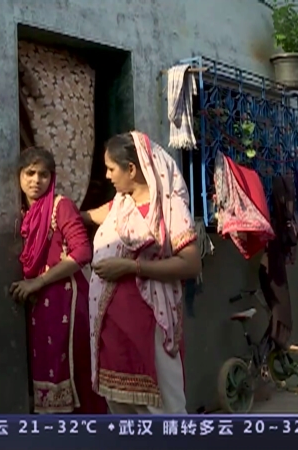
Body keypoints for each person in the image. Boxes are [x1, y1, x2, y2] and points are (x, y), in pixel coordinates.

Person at [82, 131, 201, 414]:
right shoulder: (120, 205)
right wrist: (57, 214)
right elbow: (90, 215)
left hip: (151, 324)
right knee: (121, 407)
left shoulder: (170, 207)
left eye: (111, 169)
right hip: (113, 326)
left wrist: (131, 267)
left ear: (132, 169)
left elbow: (191, 264)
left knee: (165, 409)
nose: (107, 176)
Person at [10, 146, 107, 414]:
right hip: (38, 303)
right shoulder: (21, 212)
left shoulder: (60, 206)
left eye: (43, 175)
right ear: (19, 175)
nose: (36, 180)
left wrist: (39, 281)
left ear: (51, 178)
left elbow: (82, 252)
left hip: (66, 300)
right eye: (30, 173)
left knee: (73, 372)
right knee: (46, 368)